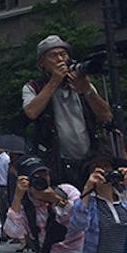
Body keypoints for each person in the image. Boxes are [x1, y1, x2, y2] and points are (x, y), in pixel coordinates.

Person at [22, 34, 114, 187]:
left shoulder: (80, 81)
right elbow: (31, 112)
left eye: (63, 54)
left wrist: (86, 90)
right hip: (57, 163)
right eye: (53, 55)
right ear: (42, 63)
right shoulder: (33, 87)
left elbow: (106, 115)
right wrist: (54, 82)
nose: (60, 59)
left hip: (90, 160)